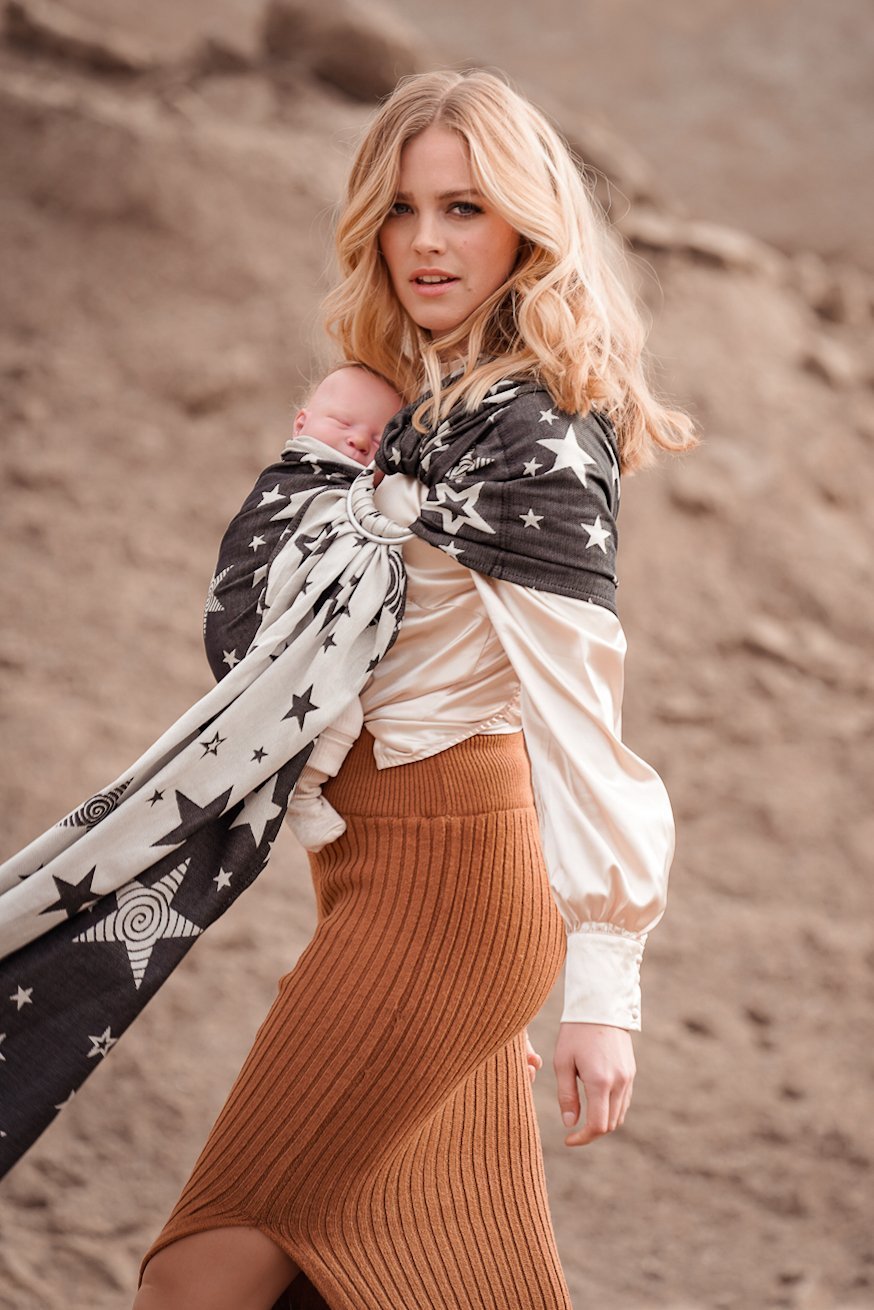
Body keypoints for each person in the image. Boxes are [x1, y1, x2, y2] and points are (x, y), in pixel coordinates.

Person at [133, 67, 696, 1310]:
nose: (426, 241)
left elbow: (577, 717)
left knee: (197, 1277)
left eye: (464, 208)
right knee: (396, 1284)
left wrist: (602, 991)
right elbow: (271, 643)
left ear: (528, 228)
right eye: (401, 208)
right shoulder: (423, 408)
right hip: (383, 872)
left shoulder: (534, 433)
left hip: (448, 890)